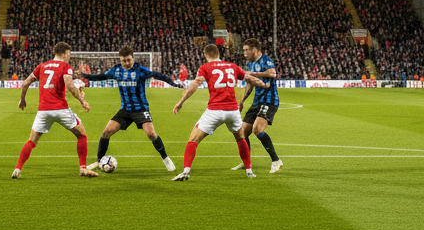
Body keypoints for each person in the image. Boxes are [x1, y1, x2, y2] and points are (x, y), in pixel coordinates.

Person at [171, 43, 267, 182]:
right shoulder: (232, 66)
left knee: (193, 139)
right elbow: (249, 78)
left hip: (215, 110)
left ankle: (186, 171)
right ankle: (249, 171)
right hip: (233, 111)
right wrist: (262, 84)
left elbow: (196, 83)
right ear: (218, 53)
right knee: (240, 137)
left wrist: (181, 102)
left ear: (206, 55)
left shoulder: (205, 67)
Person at [80, 45, 182, 172]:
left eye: (129, 60)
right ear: (120, 60)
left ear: (133, 59)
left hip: (141, 109)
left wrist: (173, 83)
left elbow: (157, 75)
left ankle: (165, 158)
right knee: (106, 132)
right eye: (124, 61)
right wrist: (83, 75)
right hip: (125, 110)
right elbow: (101, 77)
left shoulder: (140, 70)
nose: (127, 63)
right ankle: (100, 160)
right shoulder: (116, 70)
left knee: (151, 134)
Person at [13, 42, 98, 179]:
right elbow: (70, 85)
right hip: (61, 109)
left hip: (43, 111)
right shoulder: (65, 67)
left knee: (32, 141)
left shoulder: (41, 66)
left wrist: (22, 100)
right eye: (69, 54)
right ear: (64, 53)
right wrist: (82, 100)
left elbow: (25, 83)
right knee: (81, 134)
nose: (69, 57)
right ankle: (83, 168)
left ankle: (17, 169)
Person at [233, 38, 282, 173]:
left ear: (255, 49)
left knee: (257, 129)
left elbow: (272, 73)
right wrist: (241, 100)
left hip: (269, 101)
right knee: (242, 132)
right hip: (257, 102)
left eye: (247, 50)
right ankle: (246, 162)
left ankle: (276, 161)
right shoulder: (250, 63)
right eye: (244, 50)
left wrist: (253, 74)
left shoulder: (266, 60)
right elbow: (250, 84)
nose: (245, 53)